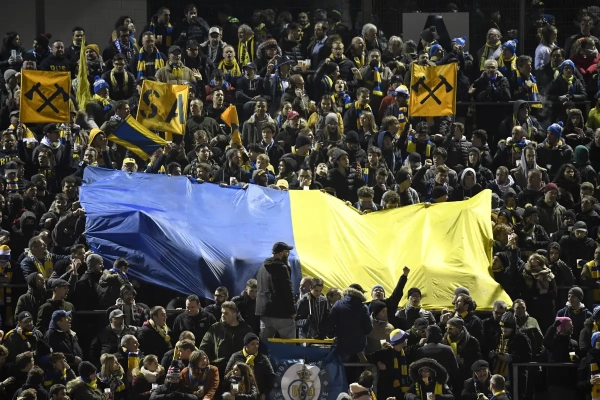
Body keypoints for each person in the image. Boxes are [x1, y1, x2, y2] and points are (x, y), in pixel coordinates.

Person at [199, 301, 252, 376]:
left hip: (239, 370)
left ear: (234, 314)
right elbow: (204, 347)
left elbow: (252, 350)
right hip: (218, 369)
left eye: (226, 314)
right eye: (222, 313)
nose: (223, 316)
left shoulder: (246, 330)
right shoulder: (215, 328)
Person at [255, 242, 296, 339]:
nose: (288, 255)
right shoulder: (282, 268)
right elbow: (287, 291)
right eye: (287, 252)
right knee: (289, 343)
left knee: (265, 343)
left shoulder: (262, 268)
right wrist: (292, 310)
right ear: (281, 253)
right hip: (281, 313)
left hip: (265, 313)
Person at [320, 286, 373, 359]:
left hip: (342, 346)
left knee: (338, 365)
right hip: (359, 348)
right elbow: (368, 329)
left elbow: (329, 324)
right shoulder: (364, 308)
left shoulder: (339, 304)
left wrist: (321, 336)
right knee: (358, 365)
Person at [225, 333, 274, 397]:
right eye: (252, 344)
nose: (256, 346)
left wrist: (265, 393)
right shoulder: (235, 357)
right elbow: (227, 376)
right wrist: (236, 382)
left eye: (257, 344)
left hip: (257, 395)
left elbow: (271, 377)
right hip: (238, 395)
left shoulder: (263, 358)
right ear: (246, 344)